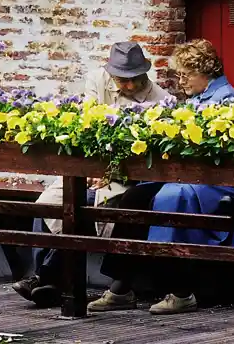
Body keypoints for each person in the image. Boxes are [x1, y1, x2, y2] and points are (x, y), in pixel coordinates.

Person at [87, 39, 234, 315]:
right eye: (179, 75)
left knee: (168, 199)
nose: (181, 81)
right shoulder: (198, 97)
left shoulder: (226, 99)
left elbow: (220, 159)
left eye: (186, 75)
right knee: (133, 198)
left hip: (217, 185)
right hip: (189, 178)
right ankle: (120, 288)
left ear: (205, 72)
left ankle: (181, 292)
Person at [12, 42, 169, 307]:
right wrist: (93, 170)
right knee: (49, 202)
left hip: (125, 179)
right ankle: (48, 277)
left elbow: (147, 156)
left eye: (134, 80)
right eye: (122, 80)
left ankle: (47, 278)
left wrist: (111, 173)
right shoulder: (97, 80)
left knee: (83, 205)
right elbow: (88, 127)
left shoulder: (160, 99)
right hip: (88, 171)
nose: (128, 86)